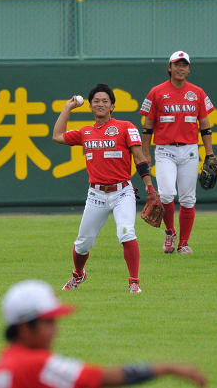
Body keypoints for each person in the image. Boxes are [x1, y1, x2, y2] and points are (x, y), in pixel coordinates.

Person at [0, 279, 208, 388]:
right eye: (49, 322)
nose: (56, 330)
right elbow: (102, 378)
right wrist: (167, 368)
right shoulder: (35, 364)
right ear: (24, 328)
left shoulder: (1, 365)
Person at [52, 83, 156, 293]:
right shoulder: (85, 132)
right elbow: (57, 136)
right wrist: (67, 108)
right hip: (96, 194)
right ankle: (78, 274)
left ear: (112, 106)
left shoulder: (126, 126)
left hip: (122, 192)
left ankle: (134, 282)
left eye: (105, 101)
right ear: (90, 106)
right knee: (82, 244)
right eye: (96, 101)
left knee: (126, 232)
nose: (100, 104)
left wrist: (150, 189)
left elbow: (139, 157)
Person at [139, 51, 216, 254]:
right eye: (177, 64)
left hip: (190, 150)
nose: (180, 68)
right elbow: (147, 125)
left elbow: (205, 125)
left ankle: (183, 243)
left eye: (184, 65)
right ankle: (170, 232)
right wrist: (145, 152)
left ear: (189, 69)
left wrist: (209, 153)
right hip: (164, 150)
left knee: (188, 199)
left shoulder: (197, 93)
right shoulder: (157, 92)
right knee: (165, 194)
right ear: (169, 67)